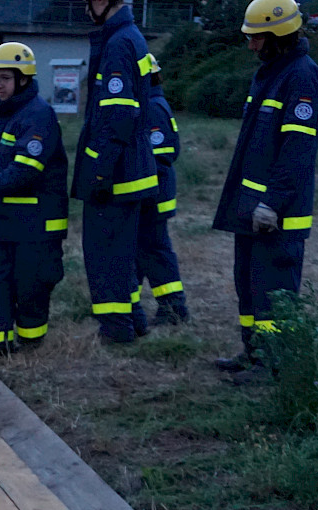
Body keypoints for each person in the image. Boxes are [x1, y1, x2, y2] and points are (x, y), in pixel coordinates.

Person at [213, 0, 318, 373]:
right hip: (253, 209)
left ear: (280, 35)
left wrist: (273, 203)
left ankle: (275, 368)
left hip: (277, 215)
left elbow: (297, 151)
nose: (251, 46)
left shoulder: (302, 76)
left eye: (257, 38)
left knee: (273, 295)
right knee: (248, 286)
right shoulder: (271, 73)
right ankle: (254, 354)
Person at [0, 42, 69, 370]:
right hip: (7, 221)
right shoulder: (9, 113)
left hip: (36, 223)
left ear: (23, 79)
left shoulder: (37, 115)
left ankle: (32, 348)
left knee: (32, 284)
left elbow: (25, 170)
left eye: (5, 78)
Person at [70, 0, 160, 344]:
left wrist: (98, 173)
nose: (84, 7)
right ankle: (133, 320)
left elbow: (118, 117)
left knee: (105, 255)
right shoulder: (129, 36)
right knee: (122, 256)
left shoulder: (119, 42)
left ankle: (116, 331)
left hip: (117, 175)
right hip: (130, 169)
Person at [137, 54, 189, 326]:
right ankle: (128, 305)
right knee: (140, 249)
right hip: (148, 194)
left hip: (154, 195)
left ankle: (173, 308)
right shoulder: (150, 103)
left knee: (155, 250)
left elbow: (163, 153)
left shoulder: (154, 108)